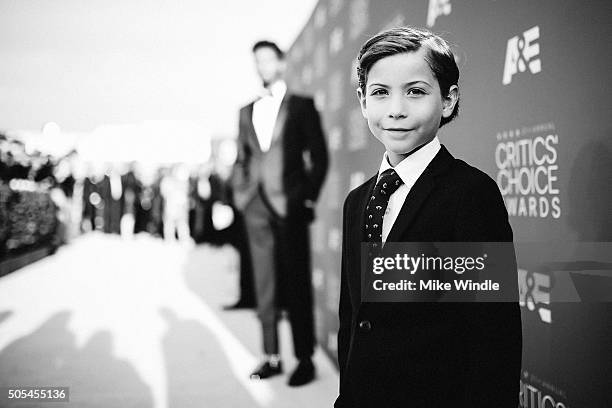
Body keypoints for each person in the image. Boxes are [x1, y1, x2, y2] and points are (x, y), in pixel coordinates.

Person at [335, 27, 522, 407]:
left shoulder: (470, 194)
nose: (396, 109)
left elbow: (494, 338)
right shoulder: (357, 201)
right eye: (380, 92)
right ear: (362, 101)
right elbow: (352, 318)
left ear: (448, 100)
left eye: (416, 91)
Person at [231, 40, 328, 386]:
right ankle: (271, 356)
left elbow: (319, 157)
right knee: (264, 284)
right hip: (255, 206)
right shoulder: (246, 110)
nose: (262, 67)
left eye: (267, 60)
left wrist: (307, 199)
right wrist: (241, 195)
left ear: (281, 63)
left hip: (290, 206)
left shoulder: (301, 106)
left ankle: (304, 359)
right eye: (256, 61)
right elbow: (242, 157)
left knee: (297, 283)